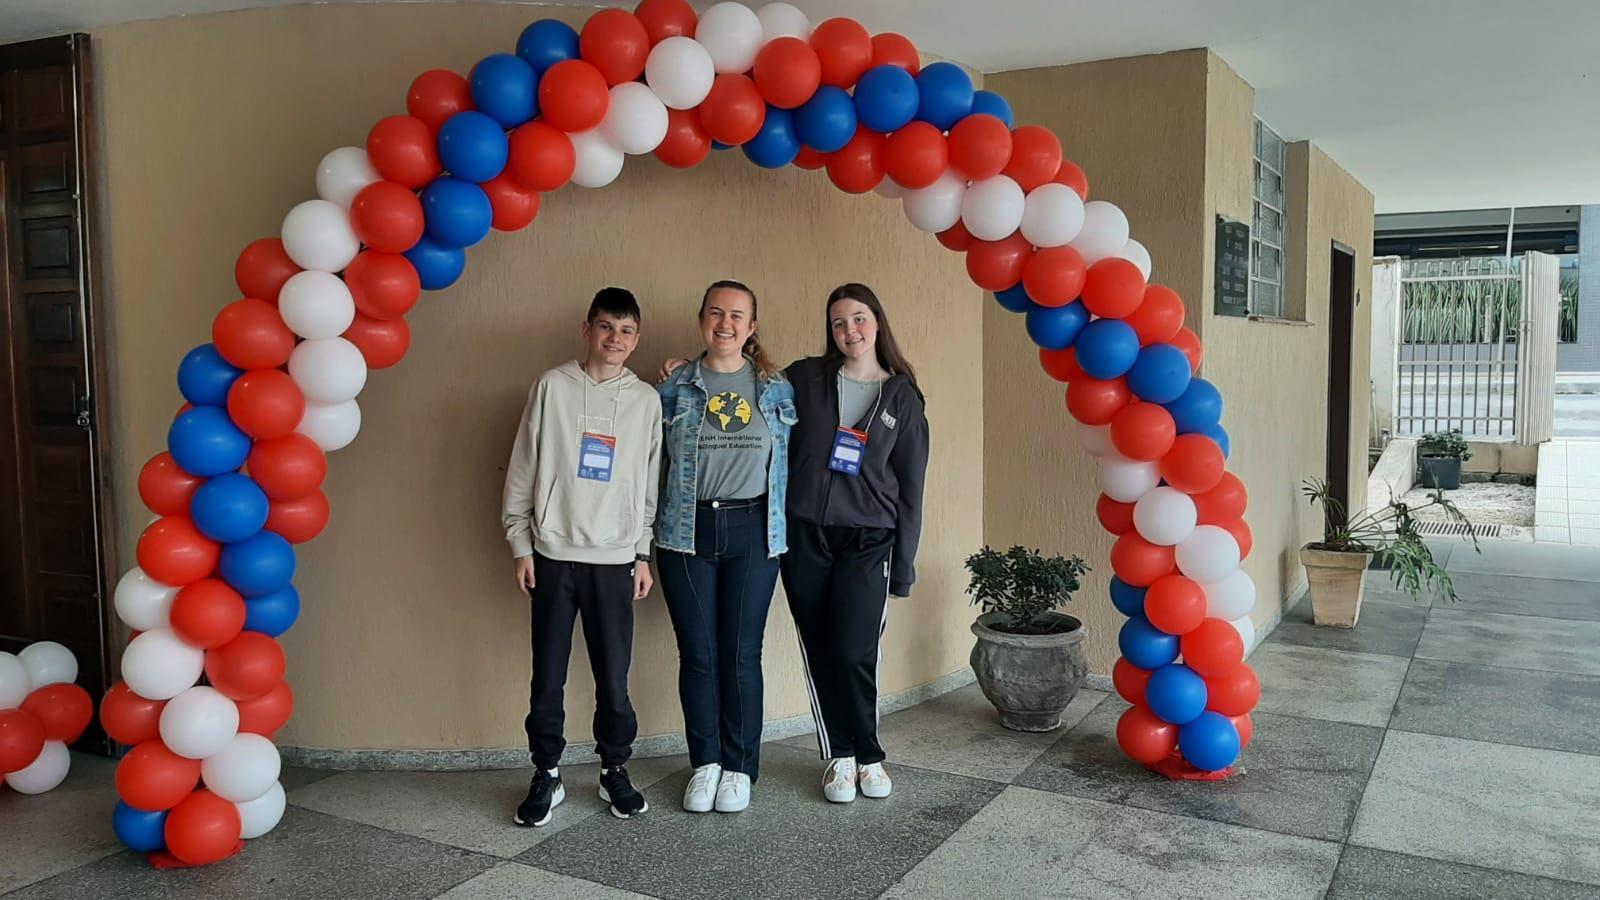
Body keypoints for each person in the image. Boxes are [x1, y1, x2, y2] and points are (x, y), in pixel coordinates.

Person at [501, 287, 662, 827]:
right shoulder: (552, 387)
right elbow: (523, 465)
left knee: (613, 676)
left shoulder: (645, 401)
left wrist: (642, 553)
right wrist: (520, 542)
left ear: (636, 339)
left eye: (626, 330)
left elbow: (649, 484)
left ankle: (614, 767)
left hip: (616, 558)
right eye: (606, 327)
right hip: (552, 553)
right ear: (587, 328)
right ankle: (546, 771)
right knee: (546, 675)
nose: (615, 339)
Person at [781, 283, 928, 803]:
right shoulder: (805, 378)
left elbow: (912, 490)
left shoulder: (903, 397)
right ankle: (839, 758)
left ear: (877, 323)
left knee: (855, 647)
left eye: (859, 319)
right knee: (819, 646)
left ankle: (869, 752)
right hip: (804, 536)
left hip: (870, 540)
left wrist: (903, 564)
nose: (850, 331)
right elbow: (744, 387)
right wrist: (686, 369)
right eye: (840, 322)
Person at [655, 279, 796, 814]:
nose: (726, 323)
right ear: (701, 320)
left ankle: (739, 767)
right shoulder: (671, 388)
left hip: (754, 532)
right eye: (716, 313)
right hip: (686, 533)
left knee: (741, 655)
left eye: (738, 315)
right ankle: (705, 763)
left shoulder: (778, 389)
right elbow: (653, 466)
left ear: (752, 327)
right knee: (698, 654)